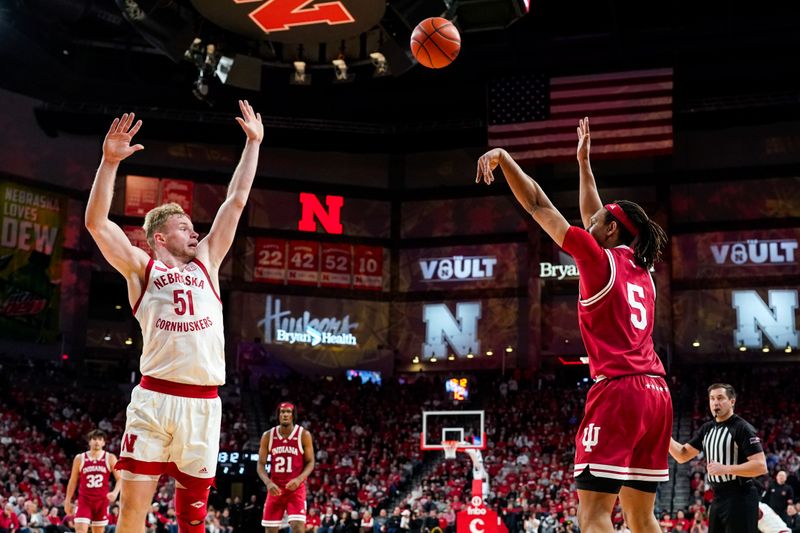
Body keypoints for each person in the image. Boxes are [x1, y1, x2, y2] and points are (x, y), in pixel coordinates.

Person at [476, 117, 671, 532]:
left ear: (611, 229)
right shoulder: (643, 268)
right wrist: (583, 165)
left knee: (593, 515)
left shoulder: (597, 260)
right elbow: (592, 211)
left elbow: (539, 205)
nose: (589, 223)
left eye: (597, 221)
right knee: (641, 517)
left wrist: (506, 158)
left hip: (618, 391)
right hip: (657, 393)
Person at [84, 101, 263, 533]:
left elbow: (235, 202)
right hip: (154, 400)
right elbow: (95, 222)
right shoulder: (142, 268)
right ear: (160, 236)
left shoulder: (207, 263)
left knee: (192, 520)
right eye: (185, 227)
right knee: (131, 514)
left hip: (203, 405)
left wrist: (254, 143)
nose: (195, 232)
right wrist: (109, 163)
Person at [669, 384, 768, 533]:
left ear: (732, 401)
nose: (715, 402)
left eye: (720, 398)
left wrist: (726, 469)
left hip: (741, 496)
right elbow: (682, 455)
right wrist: (664, 436)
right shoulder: (707, 429)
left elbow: (760, 466)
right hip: (718, 497)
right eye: (712, 399)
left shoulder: (742, 428)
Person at [258, 402, 315, 533]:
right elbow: (260, 464)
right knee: (270, 530)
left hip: (295, 490)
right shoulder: (268, 436)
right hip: (275, 489)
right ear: (278, 415)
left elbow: (311, 462)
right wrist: (268, 482)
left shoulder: (303, 435)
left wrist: (299, 479)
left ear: (293, 415)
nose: (285, 415)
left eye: (288, 412)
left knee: (298, 527)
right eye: (282, 412)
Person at [64, 429, 121, 533]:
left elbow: (120, 479)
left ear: (104, 443)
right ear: (89, 442)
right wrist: (67, 500)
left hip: (101, 501)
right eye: (94, 439)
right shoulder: (80, 458)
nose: (97, 442)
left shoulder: (110, 458)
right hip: (84, 501)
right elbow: (73, 481)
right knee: (80, 530)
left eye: (100, 439)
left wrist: (115, 492)